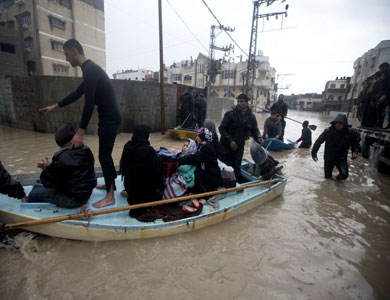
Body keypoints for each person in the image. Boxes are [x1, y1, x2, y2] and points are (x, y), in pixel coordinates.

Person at [39, 39, 121, 208]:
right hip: (108, 116)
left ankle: (110, 196)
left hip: (109, 118)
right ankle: (109, 185)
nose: (66, 59)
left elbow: (89, 103)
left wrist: (80, 132)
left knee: (104, 156)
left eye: (66, 54)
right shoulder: (90, 70)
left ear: (74, 50)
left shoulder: (90, 70)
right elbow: (78, 93)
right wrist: (56, 105)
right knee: (105, 155)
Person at [28, 123, 97, 208]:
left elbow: (47, 183)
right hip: (87, 193)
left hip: (73, 199)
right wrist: (52, 167)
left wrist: (46, 168)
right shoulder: (86, 149)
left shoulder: (61, 158)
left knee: (32, 194)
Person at [120, 125, 164, 218]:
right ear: (146, 136)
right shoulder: (148, 150)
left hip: (129, 187)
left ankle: (127, 192)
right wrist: (162, 187)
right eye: (149, 135)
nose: (150, 137)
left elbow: (123, 167)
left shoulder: (127, 146)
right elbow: (158, 174)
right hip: (144, 194)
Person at [219, 94, 263, 181]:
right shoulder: (230, 114)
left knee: (236, 165)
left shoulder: (251, 117)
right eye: (238, 101)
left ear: (247, 103)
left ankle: (235, 184)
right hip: (226, 145)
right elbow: (221, 128)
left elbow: (254, 130)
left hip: (239, 145)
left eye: (242, 101)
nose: (239, 103)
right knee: (225, 166)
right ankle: (223, 183)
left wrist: (258, 137)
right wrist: (230, 141)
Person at [311, 114, 359, 180]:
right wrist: (314, 154)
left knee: (344, 175)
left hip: (341, 158)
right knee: (327, 177)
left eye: (340, 123)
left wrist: (355, 152)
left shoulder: (350, 132)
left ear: (344, 124)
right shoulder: (328, 131)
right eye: (336, 123)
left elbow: (355, 143)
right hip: (329, 157)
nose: (337, 125)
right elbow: (318, 142)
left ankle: (336, 180)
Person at [178, 127, 221, 197]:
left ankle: (205, 195)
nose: (196, 138)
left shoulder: (207, 148)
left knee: (196, 174)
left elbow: (195, 157)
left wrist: (180, 160)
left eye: (198, 136)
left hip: (213, 177)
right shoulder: (202, 146)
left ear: (202, 137)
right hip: (209, 173)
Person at [377, 62, 390, 129]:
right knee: (380, 110)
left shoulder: (388, 74)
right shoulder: (384, 74)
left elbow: (388, 85)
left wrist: (385, 94)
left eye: (380, 68)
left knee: (382, 109)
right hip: (384, 95)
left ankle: (384, 125)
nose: (379, 70)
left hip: (387, 95)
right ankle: (380, 125)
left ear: (384, 67)